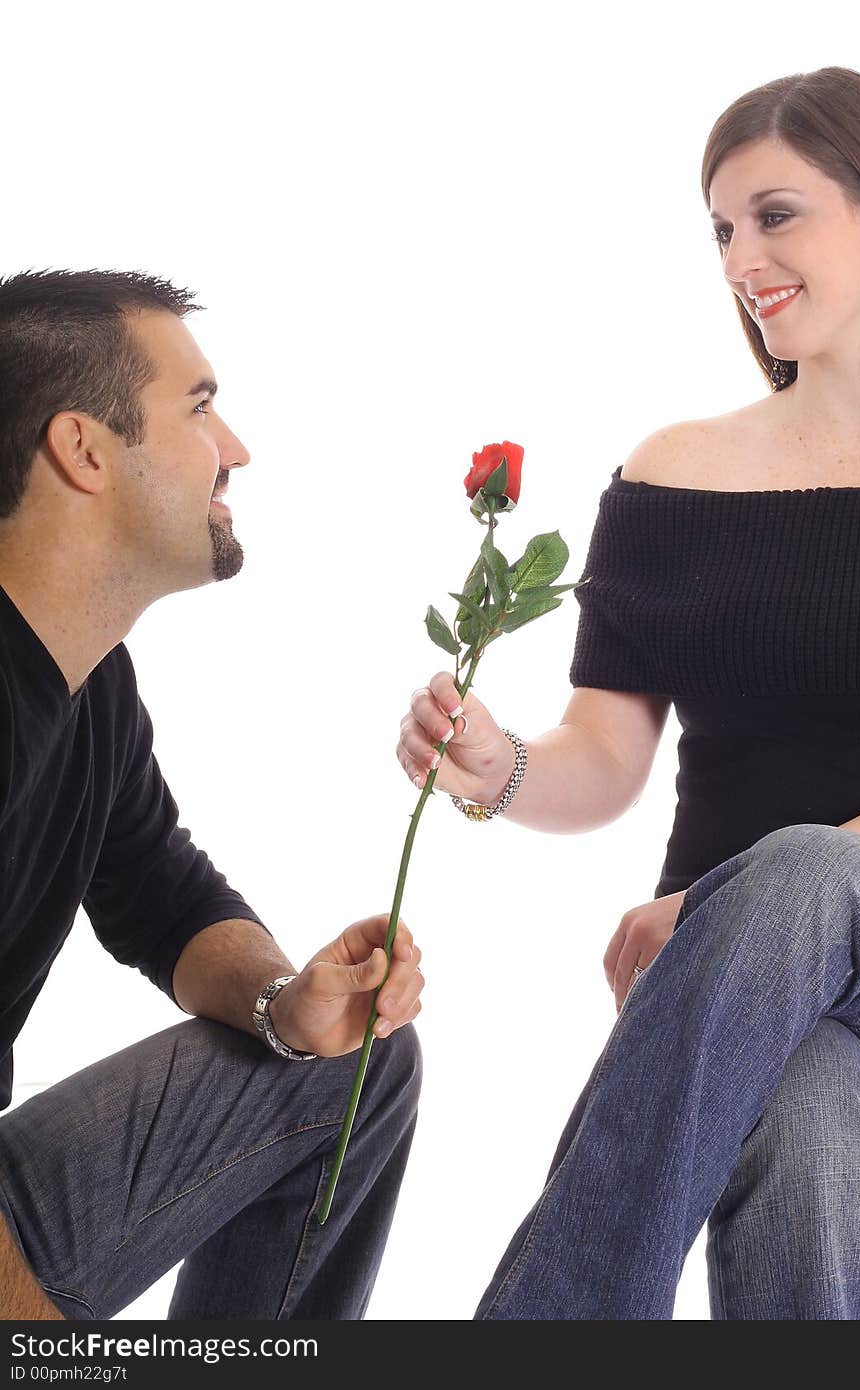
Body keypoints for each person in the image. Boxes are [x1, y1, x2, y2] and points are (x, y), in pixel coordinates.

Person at [398, 64, 860, 1320]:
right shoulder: (675, 474)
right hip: (744, 1002)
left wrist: (740, 900)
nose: (740, 258)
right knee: (811, 1130)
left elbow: (800, 879)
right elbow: (605, 757)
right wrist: (496, 765)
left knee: (799, 871)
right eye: (720, 228)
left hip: (806, 924)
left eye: (776, 215)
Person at [0, 268, 424, 1321]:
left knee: (354, 1061)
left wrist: (291, 1006)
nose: (235, 449)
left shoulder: (85, 678)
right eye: (197, 408)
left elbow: (159, 890)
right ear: (83, 448)